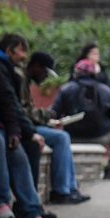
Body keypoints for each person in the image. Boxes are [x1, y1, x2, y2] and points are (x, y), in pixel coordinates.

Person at [0, 34, 55, 218]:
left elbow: (10, 104)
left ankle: (30, 210)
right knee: (13, 150)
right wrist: (24, 131)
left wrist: (19, 131)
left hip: (6, 126)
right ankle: (11, 206)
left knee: (25, 151)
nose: (24, 56)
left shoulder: (5, 68)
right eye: (21, 51)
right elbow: (9, 103)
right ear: (9, 50)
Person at [16, 51, 89, 204]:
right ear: (36, 67)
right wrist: (46, 115)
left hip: (30, 124)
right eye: (45, 72)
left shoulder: (25, 80)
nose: (45, 77)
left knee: (62, 137)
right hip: (23, 127)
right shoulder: (21, 79)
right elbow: (23, 111)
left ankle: (71, 187)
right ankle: (61, 190)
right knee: (61, 137)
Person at [53, 59, 110, 181]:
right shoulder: (105, 90)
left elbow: (54, 113)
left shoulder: (66, 89)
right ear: (95, 74)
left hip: (72, 136)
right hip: (100, 136)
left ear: (76, 72)